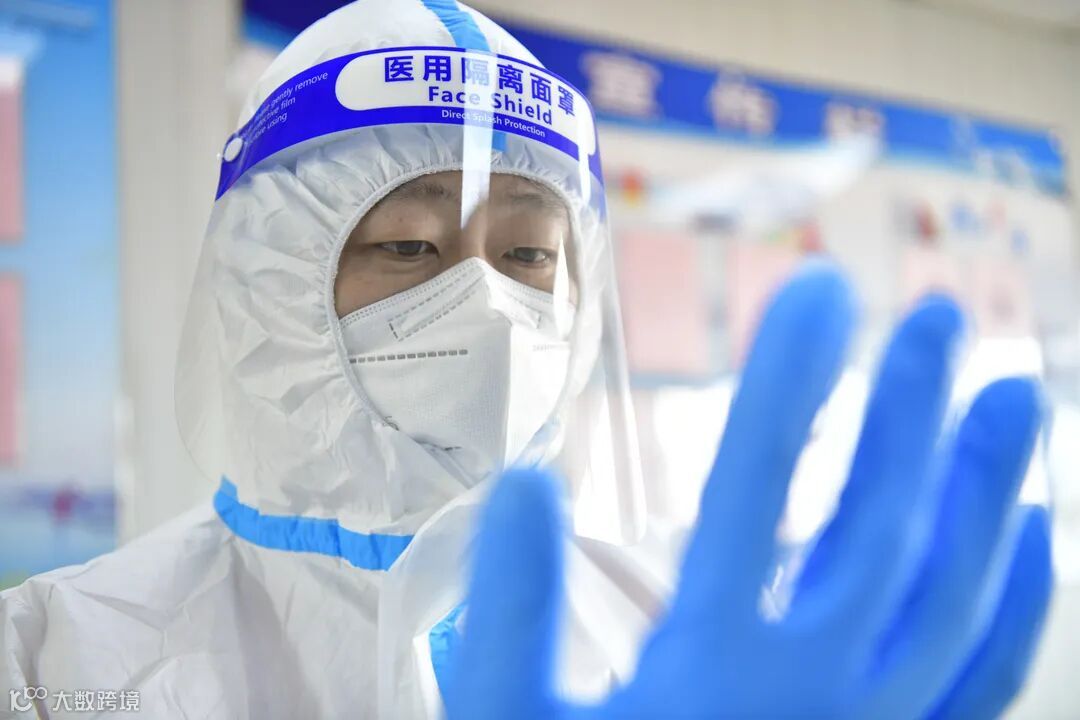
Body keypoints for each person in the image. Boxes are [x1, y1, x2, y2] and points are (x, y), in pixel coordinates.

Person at [0, 2, 1052, 718]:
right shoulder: (58, 659)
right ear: (265, 280)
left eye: (530, 256)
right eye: (408, 245)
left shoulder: (670, 628)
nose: (490, 308)